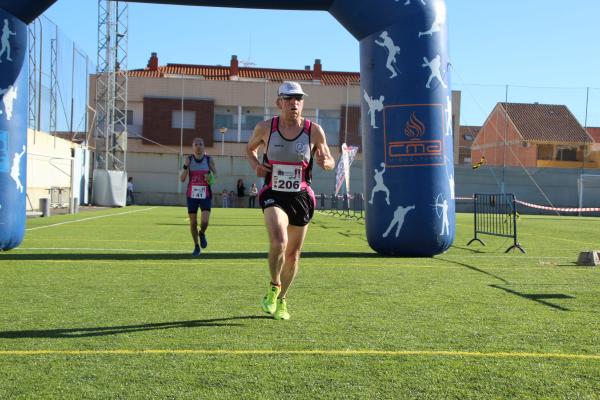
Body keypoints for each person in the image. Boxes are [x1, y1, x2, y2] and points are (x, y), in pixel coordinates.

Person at [246, 81, 335, 320]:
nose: (294, 103)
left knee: (294, 255)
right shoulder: (265, 128)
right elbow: (249, 149)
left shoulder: (313, 130)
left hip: (301, 195)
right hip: (273, 192)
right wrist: (256, 165)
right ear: (279, 103)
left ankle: (282, 299)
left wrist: (326, 163)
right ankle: (274, 285)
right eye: (288, 99)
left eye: (298, 99)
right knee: (279, 240)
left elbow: (328, 157)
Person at [180, 137, 216, 256]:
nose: (198, 146)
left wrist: (209, 177)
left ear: (204, 146)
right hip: (192, 195)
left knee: (204, 222)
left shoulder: (209, 159)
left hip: (205, 194)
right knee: (193, 222)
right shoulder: (188, 159)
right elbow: (182, 179)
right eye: (196, 144)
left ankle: (202, 233)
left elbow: (215, 175)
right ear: (193, 146)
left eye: (200, 144)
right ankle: (196, 246)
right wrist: (186, 166)